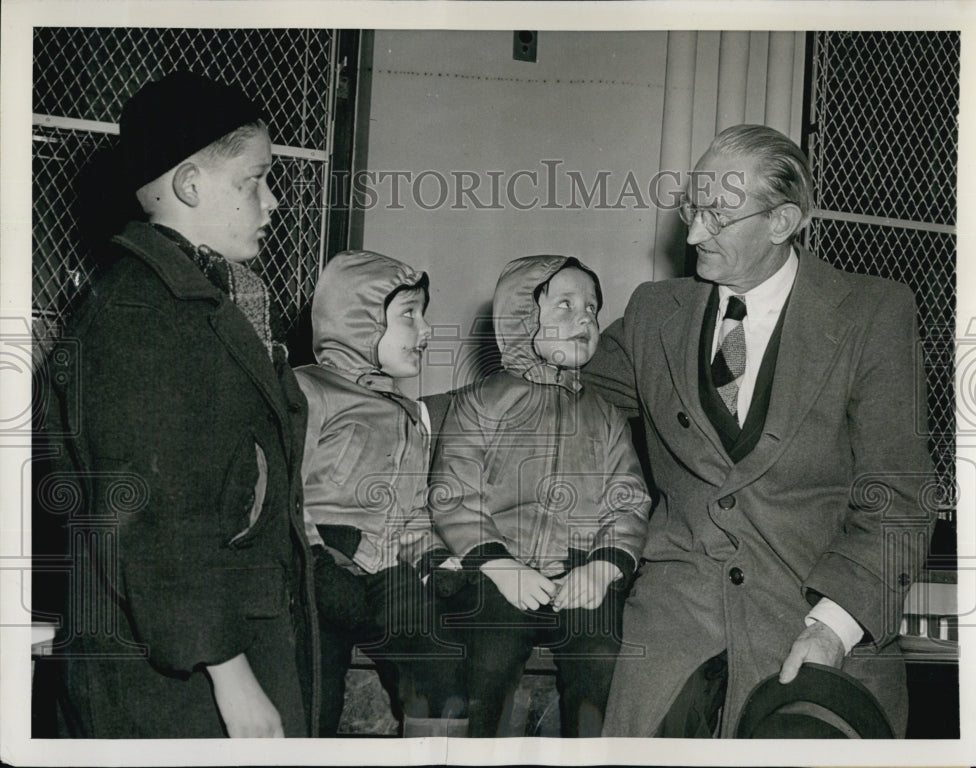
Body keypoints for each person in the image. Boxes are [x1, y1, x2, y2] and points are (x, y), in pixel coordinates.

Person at [582, 124, 936, 738]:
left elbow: (900, 496)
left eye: (719, 216)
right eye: (692, 208)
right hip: (672, 640)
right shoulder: (652, 313)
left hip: (812, 633)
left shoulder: (872, 313)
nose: (694, 234)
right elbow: (568, 400)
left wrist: (834, 628)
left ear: (782, 221)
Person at [43, 71, 319, 737]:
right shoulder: (144, 313)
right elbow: (153, 517)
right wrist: (232, 677)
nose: (272, 201)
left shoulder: (188, 298)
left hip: (216, 643)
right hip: (179, 676)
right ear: (191, 185)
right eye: (253, 180)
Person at [429, 255, 651, 737]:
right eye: (566, 305)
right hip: (498, 571)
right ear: (523, 317)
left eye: (592, 308)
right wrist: (498, 565)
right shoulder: (480, 403)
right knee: (488, 657)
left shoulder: (606, 417)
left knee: (601, 657)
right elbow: (453, 493)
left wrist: (604, 566)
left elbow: (629, 499)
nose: (585, 318)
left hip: (579, 573)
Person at [297, 250, 464, 737]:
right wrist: (317, 563)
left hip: (384, 570)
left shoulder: (407, 413)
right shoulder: (307, 390)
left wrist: (433, 558)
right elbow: (282, 489)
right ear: (360, 320)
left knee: (440, 666)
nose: (426, 330)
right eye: (409, 315)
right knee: (311, 688)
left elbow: (409, 514)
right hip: (315, 568)